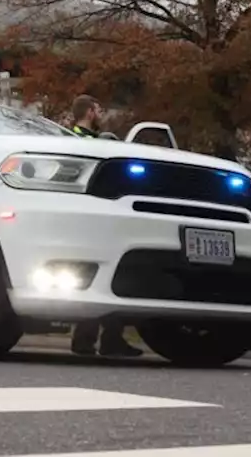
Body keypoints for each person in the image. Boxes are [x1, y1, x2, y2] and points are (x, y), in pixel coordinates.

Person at [68, 94, 143, 359]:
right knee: (96, 273)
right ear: (89, 111)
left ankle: (101, 339)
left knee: (108, 273)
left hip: (102, 214)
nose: (101, 113)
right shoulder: (75, 138)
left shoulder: (96, 139)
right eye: (98, 108)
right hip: (88, 215)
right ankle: (94, 339)